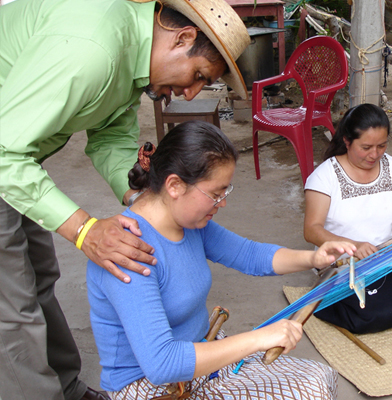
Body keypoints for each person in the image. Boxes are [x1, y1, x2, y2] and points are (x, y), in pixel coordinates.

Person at [0, 0, 250, 399]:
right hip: (5, 154)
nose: (190, 93)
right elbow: (4, 153)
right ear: (183, 37)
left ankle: (67, 389)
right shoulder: (92, 49)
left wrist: (141, 197)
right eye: (198, 75)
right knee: (12, 307)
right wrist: (85, 230)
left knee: (39, 276)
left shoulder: (129, 62)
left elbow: (110, 138)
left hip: (15, 155)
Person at [86, 120, 355, 399]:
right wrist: (258, 339)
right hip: (152, 387)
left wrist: (314, 257)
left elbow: (249, 255)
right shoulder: (126, 250)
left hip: (203, 354)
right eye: (215, 194)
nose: (222, 202)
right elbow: (162, 363)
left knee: (318, 377)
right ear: (175, 185)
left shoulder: (188, 222)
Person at [303, 103, 392, 334]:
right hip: (344, 265)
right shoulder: (324, 177)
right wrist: (354, 246)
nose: (375, 154)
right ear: (347, 141)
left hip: (388, 257)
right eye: (366, 147)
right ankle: (325, 298)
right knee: (368, 316)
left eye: (381, 146)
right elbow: (311, 230)